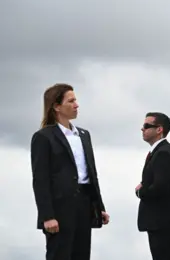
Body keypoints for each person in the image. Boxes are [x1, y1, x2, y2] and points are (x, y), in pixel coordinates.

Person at [30, 83, 110, 260]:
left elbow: (91, 174)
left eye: (76, 100)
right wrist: (47, 216)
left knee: (81, 255)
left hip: (84, 204)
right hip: (60, 208)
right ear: (56, 106)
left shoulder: (84, 135)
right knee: (60, 255)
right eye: (71, 100)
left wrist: (99, 206)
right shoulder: (43, 137)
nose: (76, 104)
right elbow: (40, 179)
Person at [136, 112, 170, 260]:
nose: (142, 129)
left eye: (146, 126)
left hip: (163, 221)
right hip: (162, 221)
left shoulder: (163, 153)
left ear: (159, 129)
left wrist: (141, 191)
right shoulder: (159, 152)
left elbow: (160, 187)